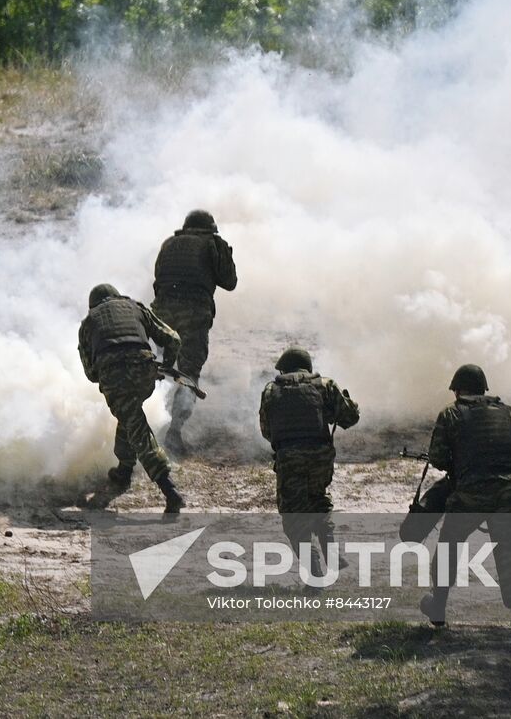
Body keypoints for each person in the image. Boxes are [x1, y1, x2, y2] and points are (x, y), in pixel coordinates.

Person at [420, 364, 511, 648]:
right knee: (508, 553)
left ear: (458, 389)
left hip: (470, 495)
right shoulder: (509, 413)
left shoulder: (450, 414)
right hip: (508, 492)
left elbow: (437, 458)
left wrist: (462, 466)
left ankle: (438, 606)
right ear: (484, 388)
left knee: (449, 545)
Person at [78, 284, 187, 514]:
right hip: (144, 370)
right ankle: (124, 470)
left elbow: (90, 374)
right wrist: (165, 366)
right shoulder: (136, 308)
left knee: (135, 424)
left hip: (114, 377)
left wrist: (110, 374)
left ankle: (170, 491)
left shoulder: (88, 323)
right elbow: (174, 339)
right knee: (131, 416)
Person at [258, 346, 359, 575]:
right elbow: (350, 418)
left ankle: (315, 573)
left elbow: (266, 431)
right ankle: (331, 553)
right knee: (318, 501)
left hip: (290, 459)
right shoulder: (325, 385)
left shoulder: (271, 390)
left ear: (284, 368)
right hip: (320, 458)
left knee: (293, 517)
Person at [150, 209, 237, 456]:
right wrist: (224, 251)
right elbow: (229, 282)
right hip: (193, 314)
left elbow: (158, 279)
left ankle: (149, 422)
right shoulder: (211, 244)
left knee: (160, 369)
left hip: (161, 314)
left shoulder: (169, 244)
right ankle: (174, 432)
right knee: (188, 374)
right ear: (209, 228)